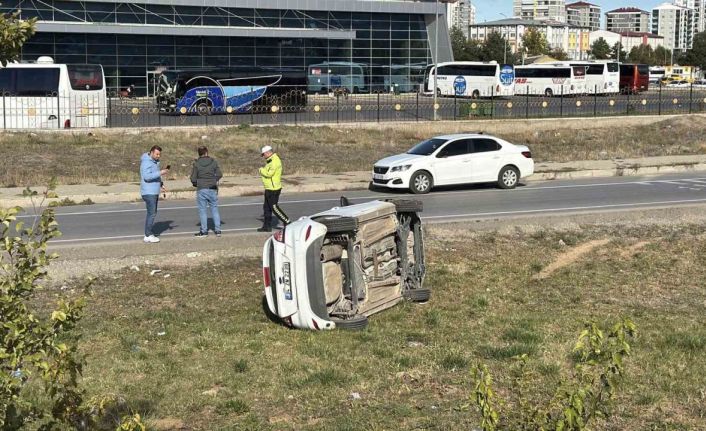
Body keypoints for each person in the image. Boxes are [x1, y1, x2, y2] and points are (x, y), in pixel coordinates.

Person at [191, 146, 223, 237]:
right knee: (214, 209)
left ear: (199, 154)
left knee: (202, 210)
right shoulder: (213, 162)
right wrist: (214, 180)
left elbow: (193, 178)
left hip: (202, 188)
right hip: (212, 187)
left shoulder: (196, 163)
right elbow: (220, 174)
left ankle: (204, 231)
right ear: (206, 152)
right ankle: (218, 230)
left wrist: (196, 183)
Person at [140, 145, 169, 243]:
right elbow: (147, 177)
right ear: (151, 152)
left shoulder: (155, 162)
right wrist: (160, 172)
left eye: (159, 154)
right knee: (152, 213)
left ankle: (148, 233)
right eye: (156, 154)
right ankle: (148, 235)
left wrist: (161, 184)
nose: (158, 156)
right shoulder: (146, 162)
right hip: (148, 192)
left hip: (153, 191)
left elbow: (155, 175)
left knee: (152, 213)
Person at [258, 145, 290, 232]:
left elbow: (269, 174)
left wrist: (261, 170)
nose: (263, 156)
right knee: (266, 208)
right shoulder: (270, 160)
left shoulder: (274, 161)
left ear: (268, 153)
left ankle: (287, 221)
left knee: (274, 208)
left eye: (263, 154)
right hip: (269, 188)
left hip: (273, 188)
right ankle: (266, 226)